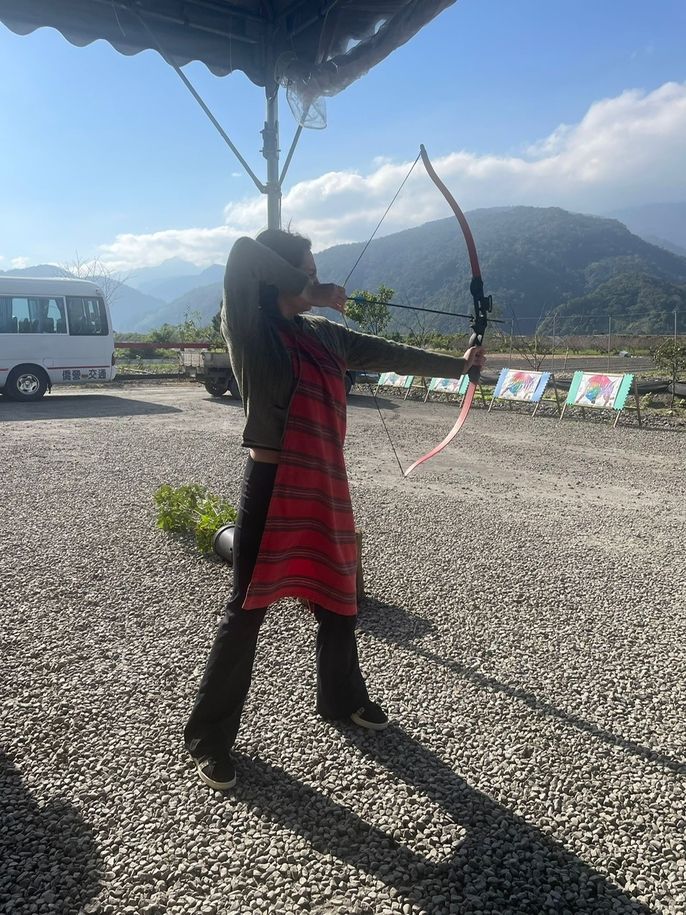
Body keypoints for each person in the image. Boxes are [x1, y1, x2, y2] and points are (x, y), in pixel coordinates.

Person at [184, 230, 486, 789]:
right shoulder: (250, 331)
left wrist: (458, 366)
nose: (318, 278)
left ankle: (342, 699)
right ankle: (208, 736)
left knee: (338, 597)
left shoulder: (322, 335)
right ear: (283, 275)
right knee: (247, 608)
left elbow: (389, 354)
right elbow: (243, 251)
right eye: (307, 269)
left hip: (324, 479)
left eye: (317, 271)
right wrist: (315, 288)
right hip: (274, 480)